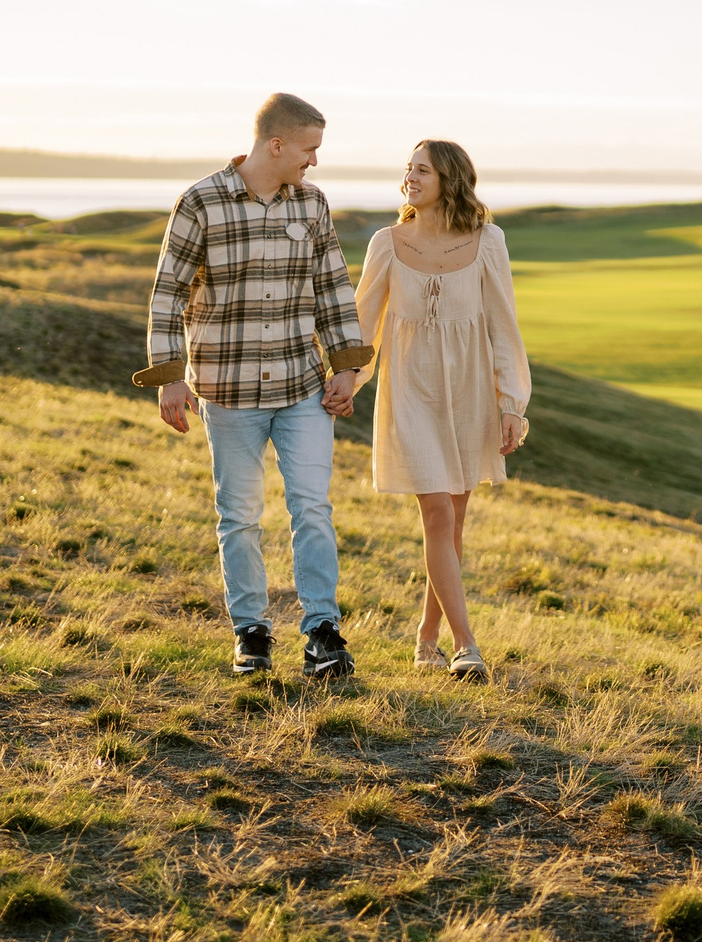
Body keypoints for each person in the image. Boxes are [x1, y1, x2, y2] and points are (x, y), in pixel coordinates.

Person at [135, 93, 372, 680]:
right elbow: (167, 294)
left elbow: (332, 289)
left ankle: (321, 631)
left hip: (302, 387)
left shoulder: (312, 204)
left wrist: (346, 367)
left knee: (312, 508)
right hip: (228, 390)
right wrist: (168, 378)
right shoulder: (201, 202)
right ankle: (251, 633)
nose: (314, 161)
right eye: (309, 149)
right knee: (239, 515)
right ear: (277, 144)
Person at [350, 139, 529, 681]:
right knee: (437, 512)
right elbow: (364, 326)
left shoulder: (487, 242)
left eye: (421, 169)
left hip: (470, 394)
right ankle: (465, 645)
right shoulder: (386, 243)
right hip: (410, 392)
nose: (410, 176)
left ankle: (426, 638)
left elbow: (503, 325)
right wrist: (346, 381)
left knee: (450, 527)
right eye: (408, 167)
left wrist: (511, 403)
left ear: (449, 179)